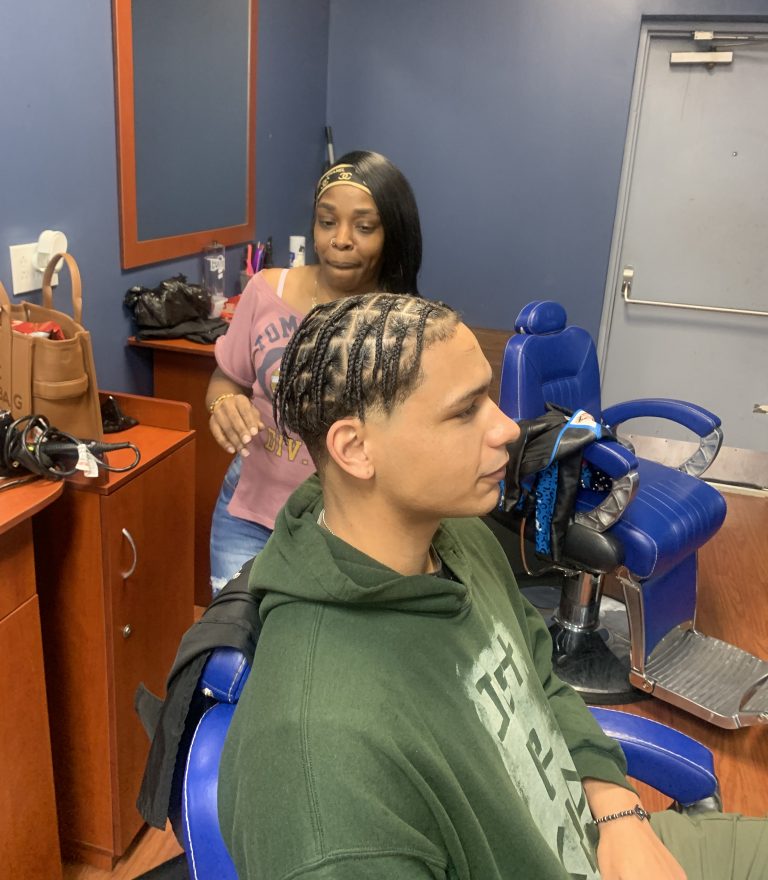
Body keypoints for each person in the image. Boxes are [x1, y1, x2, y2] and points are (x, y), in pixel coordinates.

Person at [218, 293, 768, 880]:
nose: (508, 427)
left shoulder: (458, 538)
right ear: (355, 449)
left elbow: (542, 682)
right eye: (465, 410)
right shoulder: (320, 766)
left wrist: (618, 816)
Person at [205, 151, 423, 595]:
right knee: (235, 653)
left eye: (364, 227)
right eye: (327, 221)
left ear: (392, 235)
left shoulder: (403, 324)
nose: (340, 240)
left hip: (346, 532)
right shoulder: (266, 290)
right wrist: (225, 403)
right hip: (247, 518)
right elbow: (225, 380)